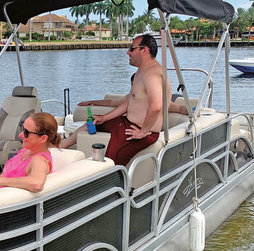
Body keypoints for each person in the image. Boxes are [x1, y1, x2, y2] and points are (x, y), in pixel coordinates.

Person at [61, 33, 172, 166]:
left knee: (109, 164)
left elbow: (156, 106)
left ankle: (116, 185)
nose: (127, 52)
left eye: (132, 48)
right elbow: (130, 102)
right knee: (93, 123)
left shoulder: (152, 73)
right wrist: (105, 118)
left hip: (138, 131)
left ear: (145, 50)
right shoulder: (141, 72)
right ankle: (59, 149)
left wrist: (143, 131)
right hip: (127, 124)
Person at [0, 112, 61, 193]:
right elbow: (7, 174)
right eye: (22, 129)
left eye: (26, 132)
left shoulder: (38, 160)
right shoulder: (25, 151)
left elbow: (36, 184)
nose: (20, 135)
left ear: (43, 138)